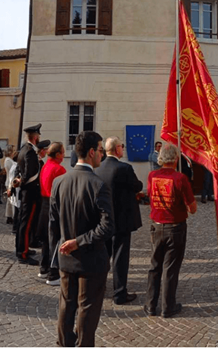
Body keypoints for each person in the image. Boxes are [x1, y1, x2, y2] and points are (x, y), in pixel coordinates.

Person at [50, 130, 114, 347]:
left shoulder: (59, 182)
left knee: (66, 307)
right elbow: (108, 227)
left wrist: (59, 249)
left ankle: (64, 344)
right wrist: (78, 241)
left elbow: (53, 225)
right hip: (91, 261)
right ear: (90, 152)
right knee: (86, 309)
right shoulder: (98, 185)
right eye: (99, 150)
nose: (102, 155)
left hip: (66, 258)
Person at [145, 144, 197, 318]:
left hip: (156, 225)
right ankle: (168, 306)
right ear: (175, 159)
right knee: (170, 268)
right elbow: (193, 208)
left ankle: (151, 305)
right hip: (175, 227)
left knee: (154, 267)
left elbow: (150, 195)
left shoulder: (152, 176)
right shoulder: (180, 178)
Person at [95, 137, 144, 305]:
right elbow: (137, 186)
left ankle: (98, 288)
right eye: (121, 147)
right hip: (122, 220)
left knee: (104, 255)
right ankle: (119, 293)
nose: (123, 149)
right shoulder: (124, 168)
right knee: (120, 258)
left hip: (104, 220)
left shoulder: (98, 167)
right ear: (117, 149)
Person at [14, 123, 43, 265]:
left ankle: (21, 248)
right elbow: (29, 173)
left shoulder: (23, 149)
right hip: (30, 191)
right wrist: (22, 181)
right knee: (26, 223)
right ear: (36, 137)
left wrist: (18, 180)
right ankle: (22, 253)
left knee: (22, 221)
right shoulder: (30, 152)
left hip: (25, 191)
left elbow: (19, 170)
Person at [39, 142, 67, 286]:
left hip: (44, 204)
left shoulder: (45, 166)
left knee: (46, 239)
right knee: (55, 240)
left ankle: (43, 268)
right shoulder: (59, 169)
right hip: (54, 205)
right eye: (63, 152)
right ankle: (53, 274)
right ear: (58, 155)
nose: (64, 155)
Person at [4, 146, 18, 226]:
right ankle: (12, 216)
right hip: (10, 182)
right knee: (11, 201)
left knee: (9, 201)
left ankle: (9, 216)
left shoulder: (9, 160)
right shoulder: (8, 160)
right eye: (13, 151)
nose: (15, 152)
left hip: (9, 181)